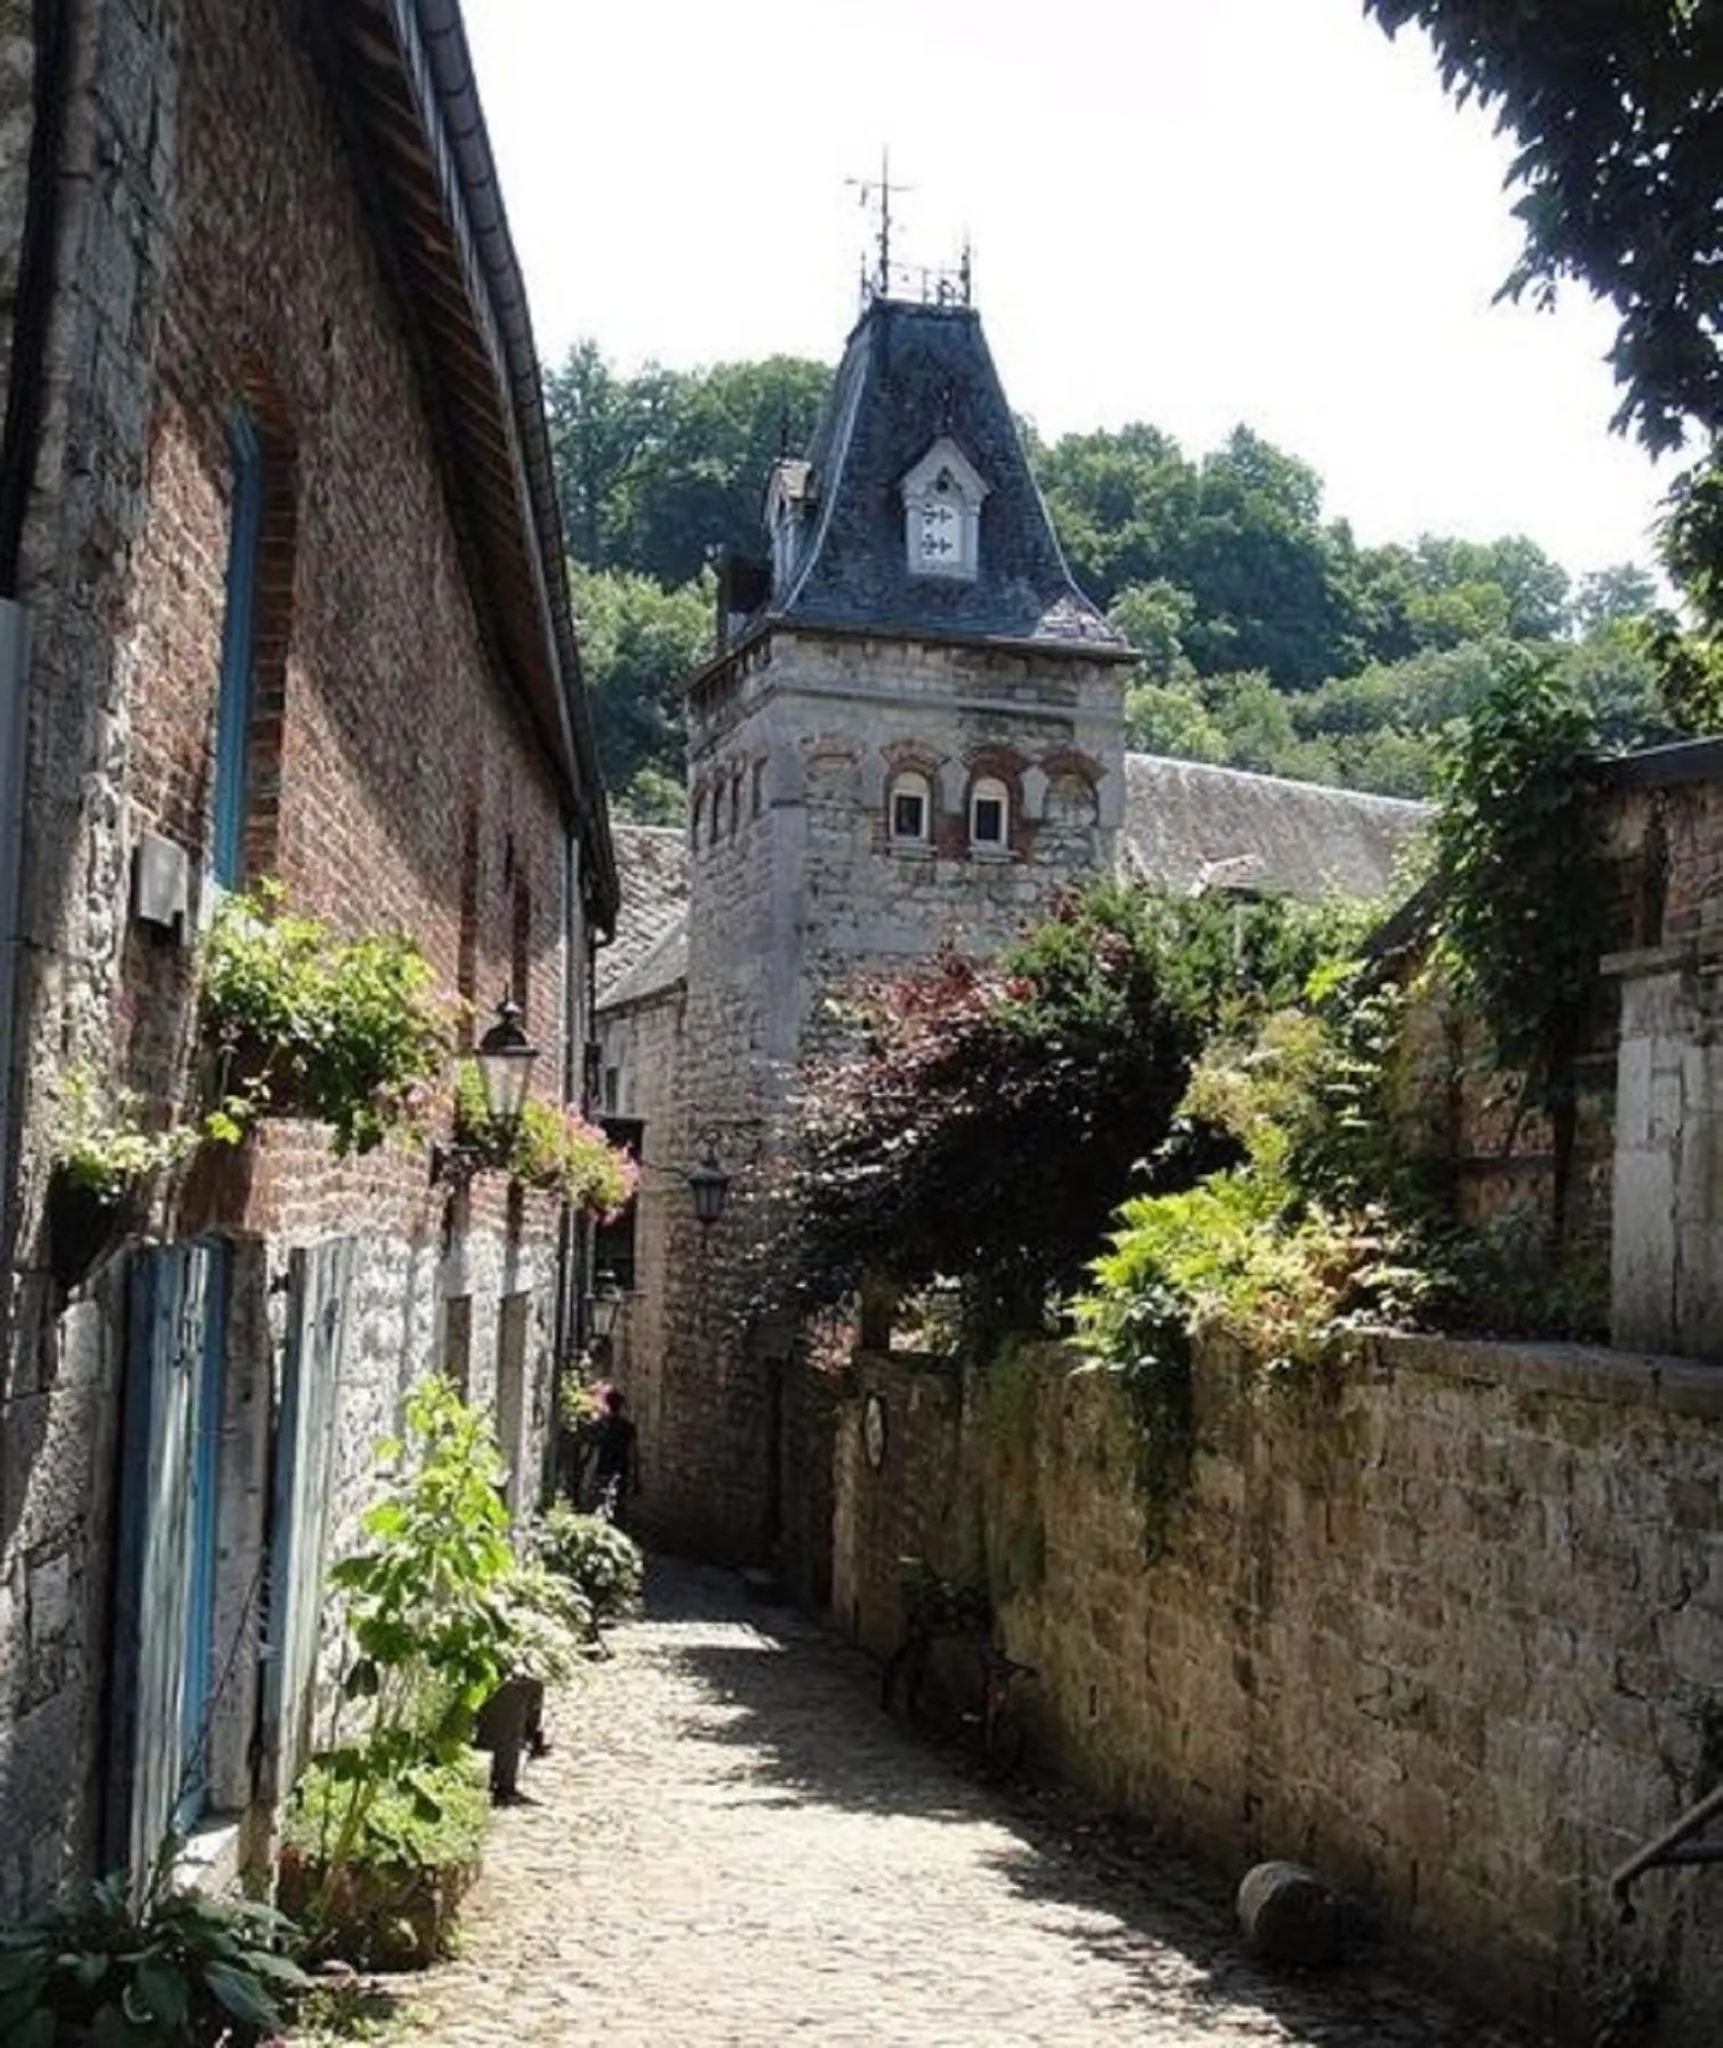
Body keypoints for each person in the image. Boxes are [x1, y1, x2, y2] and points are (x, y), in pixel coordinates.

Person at [585, 1384, 639, 1526]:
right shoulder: (628, 1427)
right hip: (621, 1469)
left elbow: (591, 1448)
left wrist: (585, 1469)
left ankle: (602, 1527)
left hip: (603, 1467)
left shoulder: (600, 1425)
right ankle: (617, 1526)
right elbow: (634, 1454)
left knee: (600, 1501)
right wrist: (636, 1478)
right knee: (618, 1504)